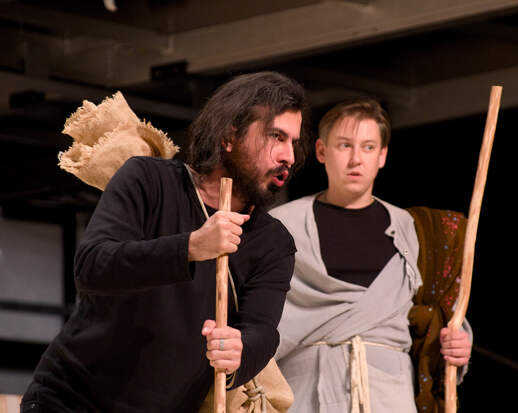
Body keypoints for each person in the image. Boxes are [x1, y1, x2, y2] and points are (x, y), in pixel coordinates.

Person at [21, 71, 309, 412]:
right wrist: (191, 247)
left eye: (293, 142)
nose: (289, 156)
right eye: (276, 137)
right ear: (230, 136)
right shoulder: (149, 180)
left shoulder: (273, 243)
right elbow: (92, 266)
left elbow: (261, 330)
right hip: (71, 400)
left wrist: (239, 352)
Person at [269, 99, 472, 413]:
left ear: (382, 155)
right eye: (344, 145)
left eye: (367, 147)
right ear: (322, 151)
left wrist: (458, 342)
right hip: (307, 392)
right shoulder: (282, 226)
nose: (355, 159)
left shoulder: (413, 231)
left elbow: (438, 311)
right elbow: (256, 314)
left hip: (389, 395)